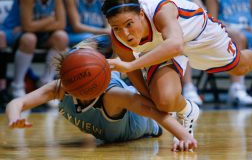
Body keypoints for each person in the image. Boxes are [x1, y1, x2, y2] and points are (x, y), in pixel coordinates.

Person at [101, 0, 252, 133]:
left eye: (129, 24)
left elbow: (175, 45)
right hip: (161, 48)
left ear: (141, 15)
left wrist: (131, 65)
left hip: (198, 35)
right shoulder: (118, 38)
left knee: (239, 68)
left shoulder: (161, 9)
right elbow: (134, 75)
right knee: (164, 101)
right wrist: (151, 99)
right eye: (117, 28)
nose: (124, 33)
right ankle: (187, 109)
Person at [5, 35, 197, 152]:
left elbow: (151, 111)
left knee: (157, 102)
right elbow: (17, 102)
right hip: (113, 120)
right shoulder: (62, 86)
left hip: (147, 121)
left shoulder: (112, 96)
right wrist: (14, 117)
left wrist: (184, 136)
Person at [1, 0, 68, 98]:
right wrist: (49, 20)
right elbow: (27, 27)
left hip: (37, 33)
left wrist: (37, 24)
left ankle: (46, 82)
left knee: (62, 37)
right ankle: (17, 85)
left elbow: (61, 24)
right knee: (29, 38)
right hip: (13, 31)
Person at [162, 0, 204, 106]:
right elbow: (166, 6)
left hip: (189, 32)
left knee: (183, 39)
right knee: (178, 40)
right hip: (164, 35)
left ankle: (187, 86)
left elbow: (202, 12)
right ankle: (188, 86)